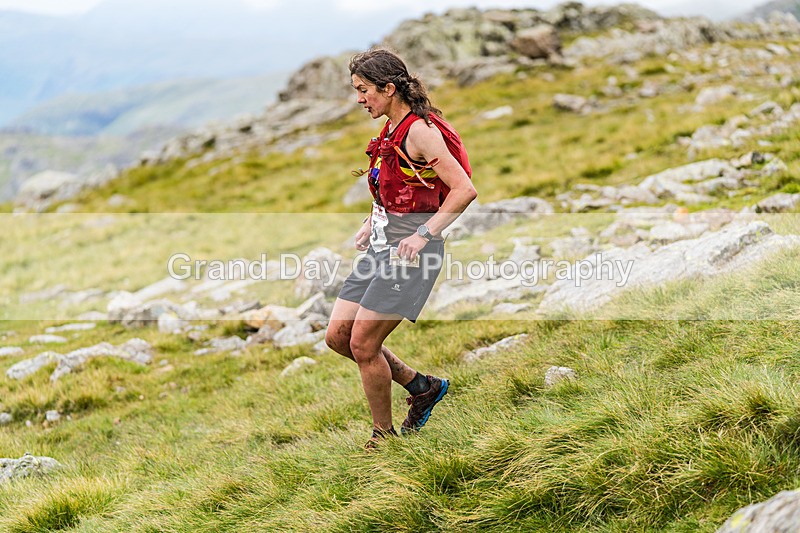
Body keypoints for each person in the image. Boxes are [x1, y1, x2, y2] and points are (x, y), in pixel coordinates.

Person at [324, 48, 478, 449]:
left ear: (388, 88)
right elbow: (398, 189)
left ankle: (384, 438)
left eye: (364, 90)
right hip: (382, 247)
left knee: (363, 345)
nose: (360, 98)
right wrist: (371, 220)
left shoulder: (420, 132)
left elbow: (464, 190)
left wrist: (423, 234)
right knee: (338, 337)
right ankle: (422, 386)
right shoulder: (390, 129)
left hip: (412, 254)